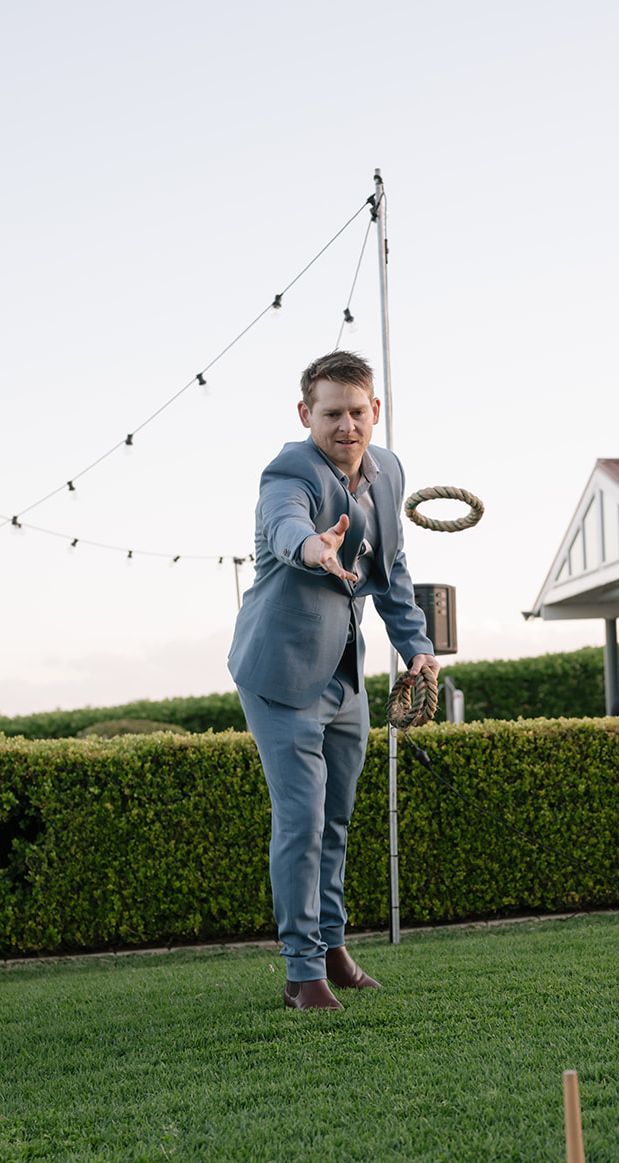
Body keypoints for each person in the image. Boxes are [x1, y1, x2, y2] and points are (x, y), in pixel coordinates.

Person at [228, 351, 438, 1011]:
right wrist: (315, 546)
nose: (345, 425)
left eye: (356, 411)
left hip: (345, 677)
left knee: (338, 820)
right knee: (302, 818)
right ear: (305, 415)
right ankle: (301, 974)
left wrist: (417, 648)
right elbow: (286, 522)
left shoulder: (390, 471)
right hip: (281, 674)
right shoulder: (289, 471)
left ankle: (332, 946)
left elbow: (393, 570)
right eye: (331, 414)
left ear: (374, 411)